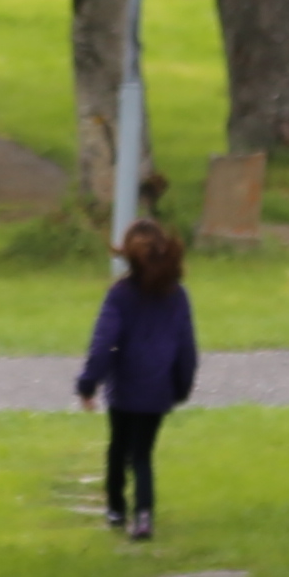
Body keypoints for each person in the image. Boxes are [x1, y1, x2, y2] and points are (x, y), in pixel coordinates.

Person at [76, 222, 197, 541]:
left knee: (118, 448)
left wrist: (88, 384)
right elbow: (186, 347)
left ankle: (116, 508)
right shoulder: (177, 296)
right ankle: (144, 515)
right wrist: (182, 386)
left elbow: (105, 344)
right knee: (142, 454)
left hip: (125, 391)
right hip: (159, 390)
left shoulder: (120, 296)